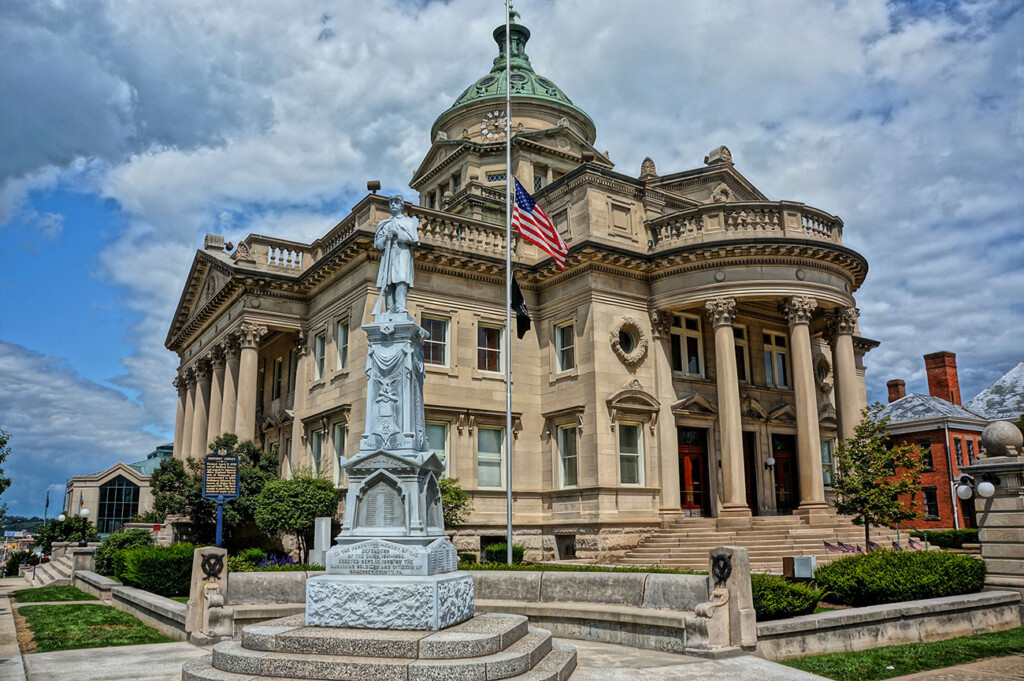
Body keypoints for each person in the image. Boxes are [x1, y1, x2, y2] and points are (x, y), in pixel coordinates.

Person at [373, 195, 419, 315]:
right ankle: (390, 309)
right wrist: (385, 239)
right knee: (388, 282)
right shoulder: (384, 224)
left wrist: (397, 233)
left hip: (402, 253)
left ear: (401, 205)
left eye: (396, 202)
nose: (393, 204)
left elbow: (413, 239)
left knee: (401, 279)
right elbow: (377, 244)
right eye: (391, 202)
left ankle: (400, 307)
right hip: (388, 254)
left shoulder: (409, 222)